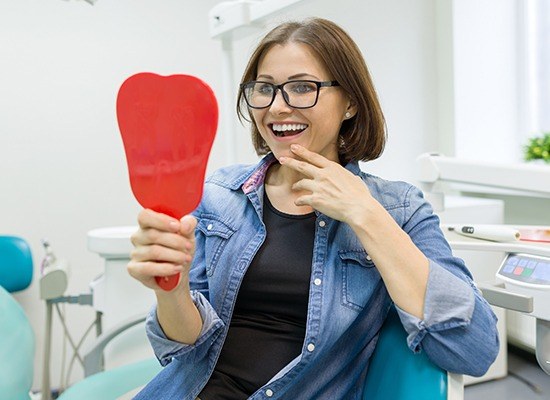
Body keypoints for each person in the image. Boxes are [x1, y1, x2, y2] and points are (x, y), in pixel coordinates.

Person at [128, 17, 499, 400]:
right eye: (265, 89)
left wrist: (366, 214)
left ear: (351, 102)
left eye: (303, 88)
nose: (277, 107)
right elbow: (187, 349)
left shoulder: (399, 209)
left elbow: (474, 349)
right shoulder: (220, 195)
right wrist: (171, 289)